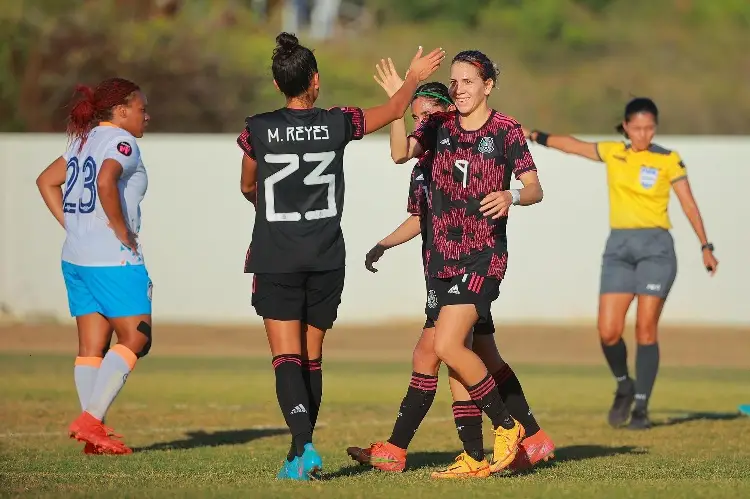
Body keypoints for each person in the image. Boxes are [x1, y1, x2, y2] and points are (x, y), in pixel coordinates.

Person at [235, 32, 445, 481]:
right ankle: (298, 455)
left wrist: (272, 210)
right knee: (312, 357)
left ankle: (303, 447)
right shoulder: (336, 122)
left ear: (277, 85)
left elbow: (248, 186)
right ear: (315, 80)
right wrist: (412, 78)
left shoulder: (257, 128)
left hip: (276, 256)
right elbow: (393, 112)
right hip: (327, 256)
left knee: (286, 358)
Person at [347, 68, 553, 478]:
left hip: (475, 261)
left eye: (427, 115)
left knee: (445, 350)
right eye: (416, 117)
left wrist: (512, 194)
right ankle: (494, 449)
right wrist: (385, 243)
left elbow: (532, 187)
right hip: (439, 267)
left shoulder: (482, 133)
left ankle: (511, 433)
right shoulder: (423, 162)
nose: (420, 123)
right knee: (461, 354)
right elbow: (415, 207)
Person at [523, 97, 718, 429]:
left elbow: (688, 203)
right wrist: (534, 135)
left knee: (645, 328)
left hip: (656, 249)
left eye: (650, 128)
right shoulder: (615, 153)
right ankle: (624, 385)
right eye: (637, 127)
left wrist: (705, 245)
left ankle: (641, 408)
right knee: (609, 331)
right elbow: (573, 146)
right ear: (626, 127)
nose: (643, 134)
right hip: (619, 248)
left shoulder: (669, 160)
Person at [36, 77, 153, 455]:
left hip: (76, 255)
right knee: (137, 337)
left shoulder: (82, 140)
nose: (146, 116)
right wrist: (122, 231)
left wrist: (74, 227)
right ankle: (91, 420)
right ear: (121, 111)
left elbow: (45, 182)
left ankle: (94, 435)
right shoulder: (123, 142)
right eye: (141, 109)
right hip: (112, 258)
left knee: (92, 345)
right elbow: (106, 181)